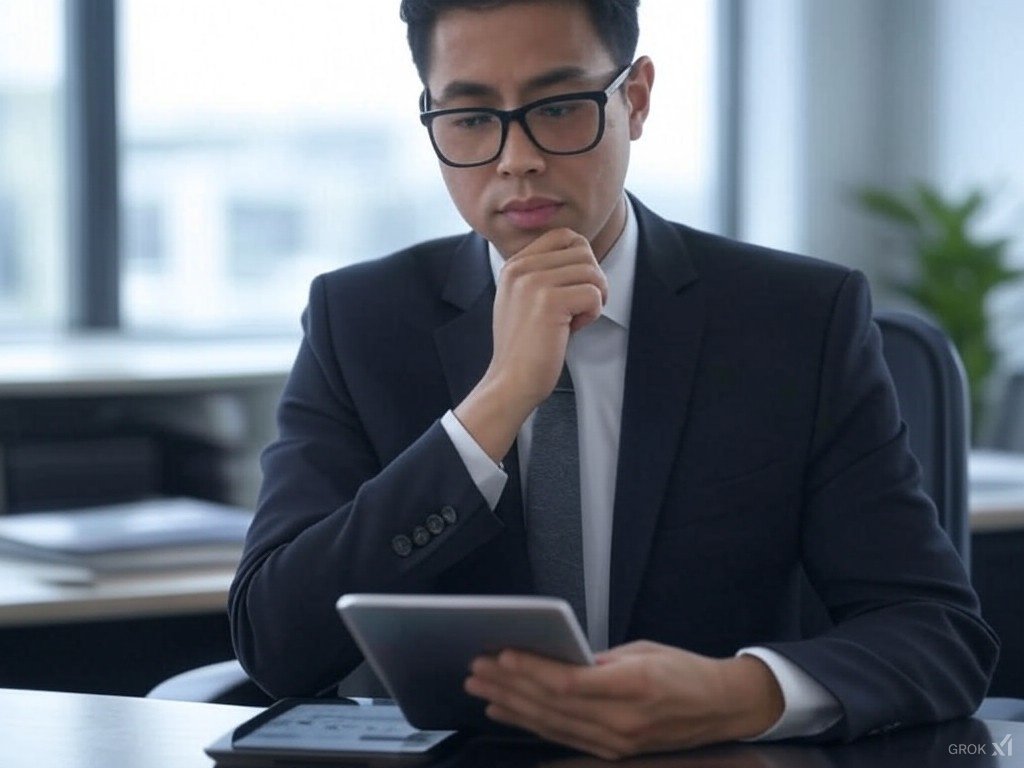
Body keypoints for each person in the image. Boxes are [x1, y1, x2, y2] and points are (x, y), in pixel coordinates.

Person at [229, 0, 998, 759]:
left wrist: (736, 694)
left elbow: (937, 632)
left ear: (635, 99)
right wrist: (496, 403)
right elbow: (276, 644)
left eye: (558, 108)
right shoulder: (359, 323)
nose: (516, 158)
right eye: (471, 118)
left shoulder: (797, 320)